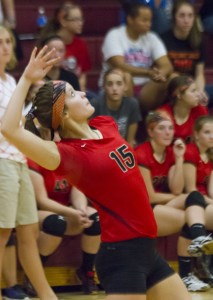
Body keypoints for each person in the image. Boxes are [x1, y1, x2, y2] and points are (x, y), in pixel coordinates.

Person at [0, 45, 195, 300]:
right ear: (64, 112)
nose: (83, 93)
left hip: (148, 250)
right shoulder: (68, 154)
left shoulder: (106, 124)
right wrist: (26, 78)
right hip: (122, 257)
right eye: (72, 94)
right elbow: (9, 129)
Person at [0, 25, 59, 300]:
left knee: (28, 232)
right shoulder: (15, 82)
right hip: (1, 163)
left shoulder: (11, 82)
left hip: (20, 161)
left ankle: (47, 295)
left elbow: (19, 127)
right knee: (1, 234)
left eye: (8, 41)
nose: (5, 47)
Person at [134, 110, 213, 291]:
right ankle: (196, 246)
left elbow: (177, 188)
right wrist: (177, 197)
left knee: (193, 205)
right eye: (162, 128)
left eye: (170, 128)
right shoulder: (141, 154)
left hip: (162, 206)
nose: (168, 132)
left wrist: (178, 159)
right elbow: (150, 196)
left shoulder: (171, 152)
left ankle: (197, 244)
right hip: (141, 210)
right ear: (150, 131)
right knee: (192, 209)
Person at [27, 157, 100, 295]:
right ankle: (34, 275)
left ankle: (87, 271)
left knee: (94, 218)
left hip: (66, 210)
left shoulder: (70, 159)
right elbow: (42, 201)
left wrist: (81, 210)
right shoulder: (35, 160)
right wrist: (72, 212)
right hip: (37, 211)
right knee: (56, 223)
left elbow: (77, 191)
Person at [100, 2, 173, 112]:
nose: (148, 24)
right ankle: (127, 119)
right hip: (116, 88)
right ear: (130, 19)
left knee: (171, 77)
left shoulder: (152, 37)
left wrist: (160, 74)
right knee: (126, 76)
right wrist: (148, 73)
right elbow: (120, 66)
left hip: (145, 89)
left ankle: (157, 117)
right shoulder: (115, 35)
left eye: (150, 20)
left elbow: (167, 65)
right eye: (144, 20)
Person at [160, 0, 212, 107]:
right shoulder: (164, 40)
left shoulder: (198, 40)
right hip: (171, 88)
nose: (186, 20)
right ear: (174, 17)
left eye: (190, 16)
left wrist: (199, 92)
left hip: (193, 87)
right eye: (182, 16)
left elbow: (199, 74)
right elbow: (166, 75)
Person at [38, 1, 92, 96]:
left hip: (73, 89)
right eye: (75, 19)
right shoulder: (48, 42)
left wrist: (80, 94)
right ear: (63, 21)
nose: (80, 23)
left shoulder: (81, 44)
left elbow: (83, 75)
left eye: (81, 19)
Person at [184, 115, 213, 286]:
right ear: (196, 135)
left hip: (203, 202)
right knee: (194, 196)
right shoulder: (190, 151)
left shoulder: (210, 155)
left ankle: (205, 269)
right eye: (207, 132)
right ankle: (199, 242)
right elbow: (189, 189)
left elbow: (211, 191)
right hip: (188, 201)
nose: (212, 136)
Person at [90, 68, 142, 147]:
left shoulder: (132, 104)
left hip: (122, 148)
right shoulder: (95, 104)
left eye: (119, 84)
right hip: (101, 148)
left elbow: (130, 141)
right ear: (104, 87)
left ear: (125, 87)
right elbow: (91, 138)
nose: (114, 88)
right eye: (110, 84)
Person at [159, 75, 208, 144]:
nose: (198, 95)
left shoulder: (200, 110)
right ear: (179, 95)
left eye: (197, 90)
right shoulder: (162, 114)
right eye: (193, 91)